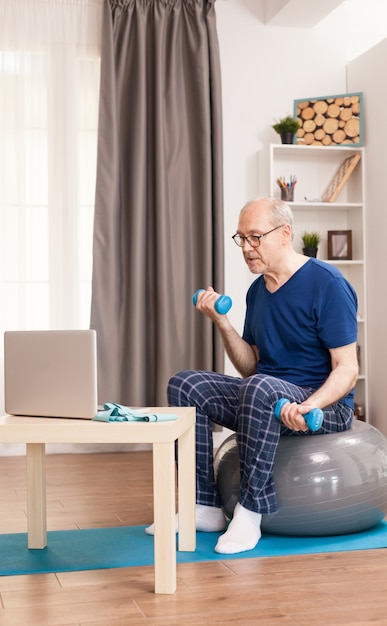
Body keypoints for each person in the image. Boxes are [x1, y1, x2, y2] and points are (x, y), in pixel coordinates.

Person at [146, 196, 359, 554]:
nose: (246, 248)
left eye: (255, 237)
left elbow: (348, 369)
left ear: (285, 233)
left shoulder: (327, 284)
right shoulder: (258, 290)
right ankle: (204, 506)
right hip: (267, 396)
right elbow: (251, 365)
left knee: (260, 388)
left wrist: (310, 405)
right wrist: (222, 322)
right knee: (184, 384)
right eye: (241, 238)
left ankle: (251, 511)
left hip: (325, 404)